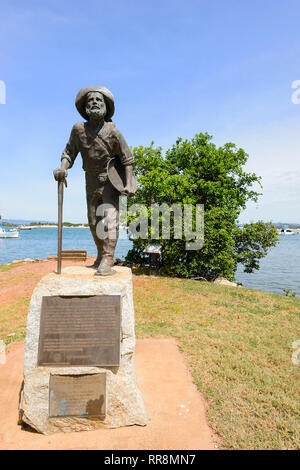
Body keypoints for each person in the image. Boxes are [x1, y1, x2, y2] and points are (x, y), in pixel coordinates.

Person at [53, 86, 136, 275]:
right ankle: (101, 253)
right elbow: (69, 153)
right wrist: (63, 168)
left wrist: (129, 182)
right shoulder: (78, 130)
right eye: (91, 100)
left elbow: (127, 159)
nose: (95, 103)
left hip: (110, 181)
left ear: (106, 106)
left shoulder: (113, 132)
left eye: (99, 100)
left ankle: (108, 258)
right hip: (89, 179)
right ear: (85, 107)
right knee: (93, 221)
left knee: (110, 221)